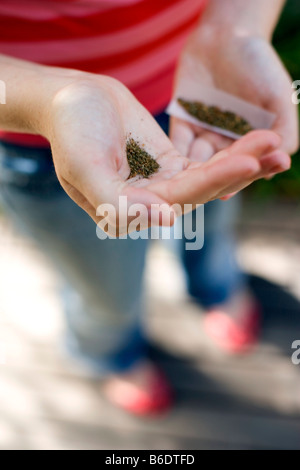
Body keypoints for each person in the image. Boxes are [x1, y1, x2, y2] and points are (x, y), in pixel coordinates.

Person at [0, 0, 297, 415]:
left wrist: (236, 26)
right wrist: (53, 102)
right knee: (104, 280)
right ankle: (114, 352)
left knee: (210, 213)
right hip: (47, 136)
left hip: (197, 89)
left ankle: (216, 286)